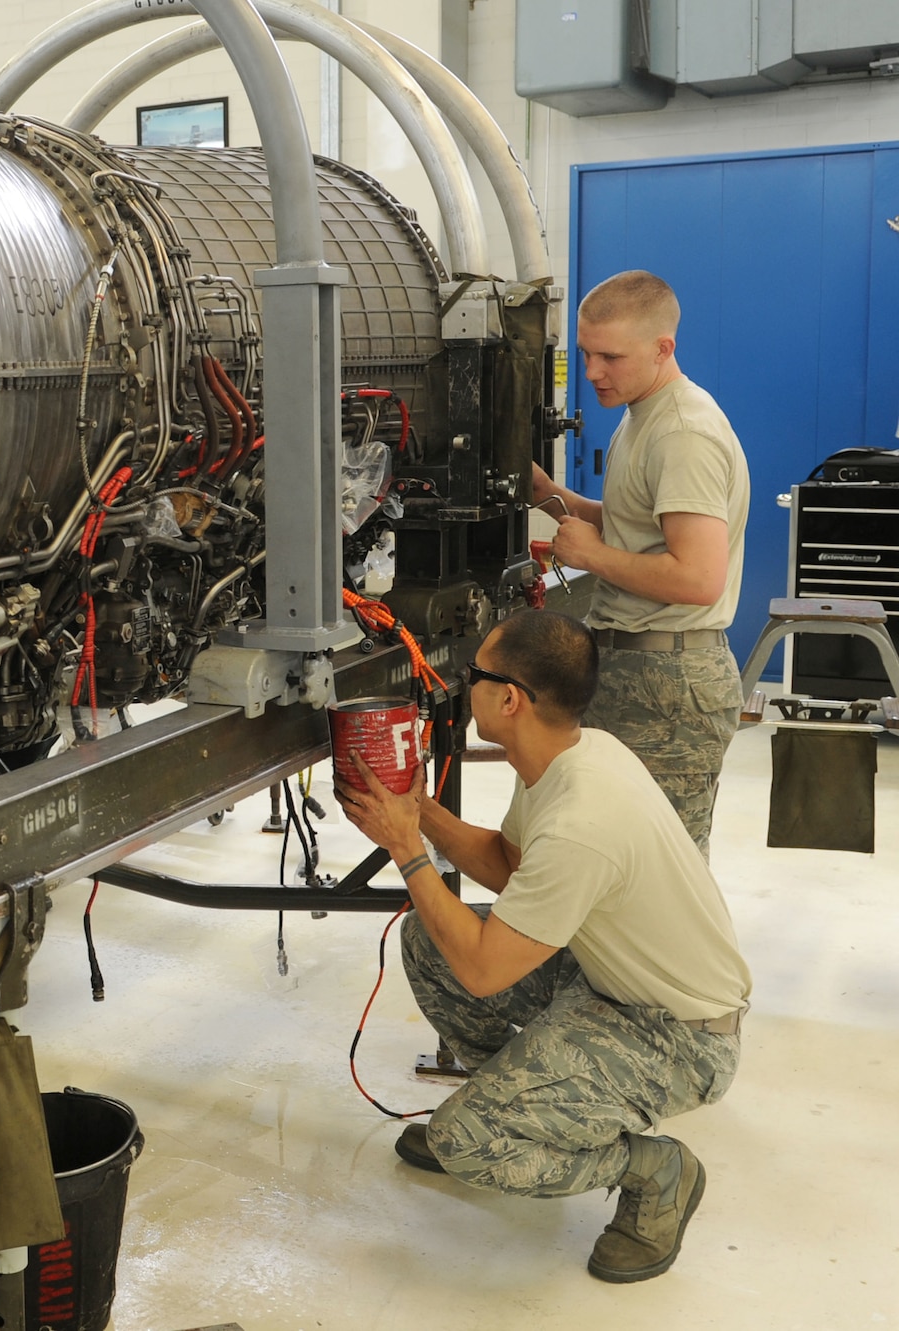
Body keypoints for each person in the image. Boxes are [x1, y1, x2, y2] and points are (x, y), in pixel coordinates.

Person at [337, 610, 750, 1284]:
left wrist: (406, 848)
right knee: (426, 939)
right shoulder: (572, 756)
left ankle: (653, 1169)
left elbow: (482, 969)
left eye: (474, 674)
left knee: (463, 1141)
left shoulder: (582, 816)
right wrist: (422, 813)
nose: (463, 682)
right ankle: (516, 1103)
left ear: (509, 699)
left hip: (679, 1037)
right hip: (609, 982)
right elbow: (508, 862)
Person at [533, 270, 750, 853]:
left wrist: (593, 557)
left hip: (670, 686)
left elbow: (699, 578)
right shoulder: (643, 412)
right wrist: (549, 496)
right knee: (617, 863)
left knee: (663, 873)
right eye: (585, 353)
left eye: (610, 356)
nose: (592, 372)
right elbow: (638, 524)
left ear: (663, 349)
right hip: (634, 670)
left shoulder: (682, 433)